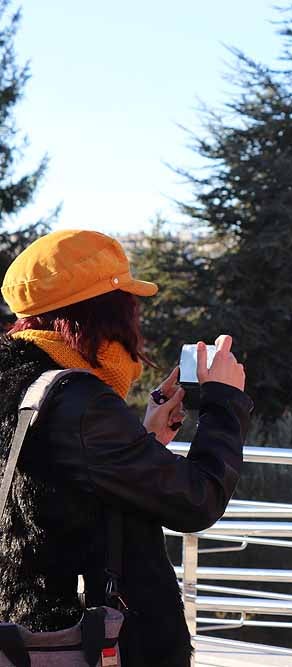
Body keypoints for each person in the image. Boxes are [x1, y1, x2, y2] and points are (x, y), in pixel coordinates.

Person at [0, 230, 252, 667]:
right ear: (104, 311)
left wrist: (143, 438)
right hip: (87, 643)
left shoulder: (19, 383)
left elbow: (61, 484)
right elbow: (198, 500)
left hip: (21, 631)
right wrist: (225, 404)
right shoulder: (80, 403)